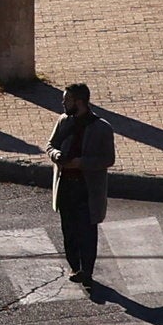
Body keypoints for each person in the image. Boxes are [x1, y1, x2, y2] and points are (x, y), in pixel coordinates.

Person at [49, 84, 119, 286]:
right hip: (65, 187)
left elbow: (108, 159)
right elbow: (50, 145)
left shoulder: (101, 127)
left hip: (86, 189)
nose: (63, 103)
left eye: (67, 99)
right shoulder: (63, 122)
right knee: (68, 230)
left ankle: (86, 271)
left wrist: (82, 163)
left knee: (87, 232)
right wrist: (56, 155)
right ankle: (74, 266)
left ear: (79, 102)